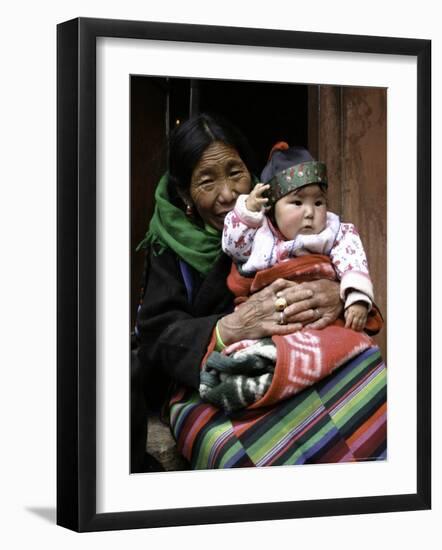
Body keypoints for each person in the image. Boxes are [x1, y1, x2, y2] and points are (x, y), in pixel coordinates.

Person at [134, 113, 386, 471]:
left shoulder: (287, 214)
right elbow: (156, 339)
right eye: (206, 181)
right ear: (183, 192)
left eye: (235, 173)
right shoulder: (168, 246)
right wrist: (231, 327)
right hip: (214, 378)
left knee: (370, 396)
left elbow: (343, 262)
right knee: (238, 453)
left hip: (297, 354)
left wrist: (338, 294)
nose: (228, 194)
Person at [198, 143, 378, 413]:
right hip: (271, 322)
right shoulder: (261, 234)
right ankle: (254, 372)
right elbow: (233, 246)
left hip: (321, 321)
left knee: (356, 348)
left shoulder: (334, 231)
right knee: (253, 351)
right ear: (272, 209)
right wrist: (247, 212)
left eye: (318, 202)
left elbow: (353, 260)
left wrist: (356, 298)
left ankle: (306, 373)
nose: (310, 212)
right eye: (297, 202)